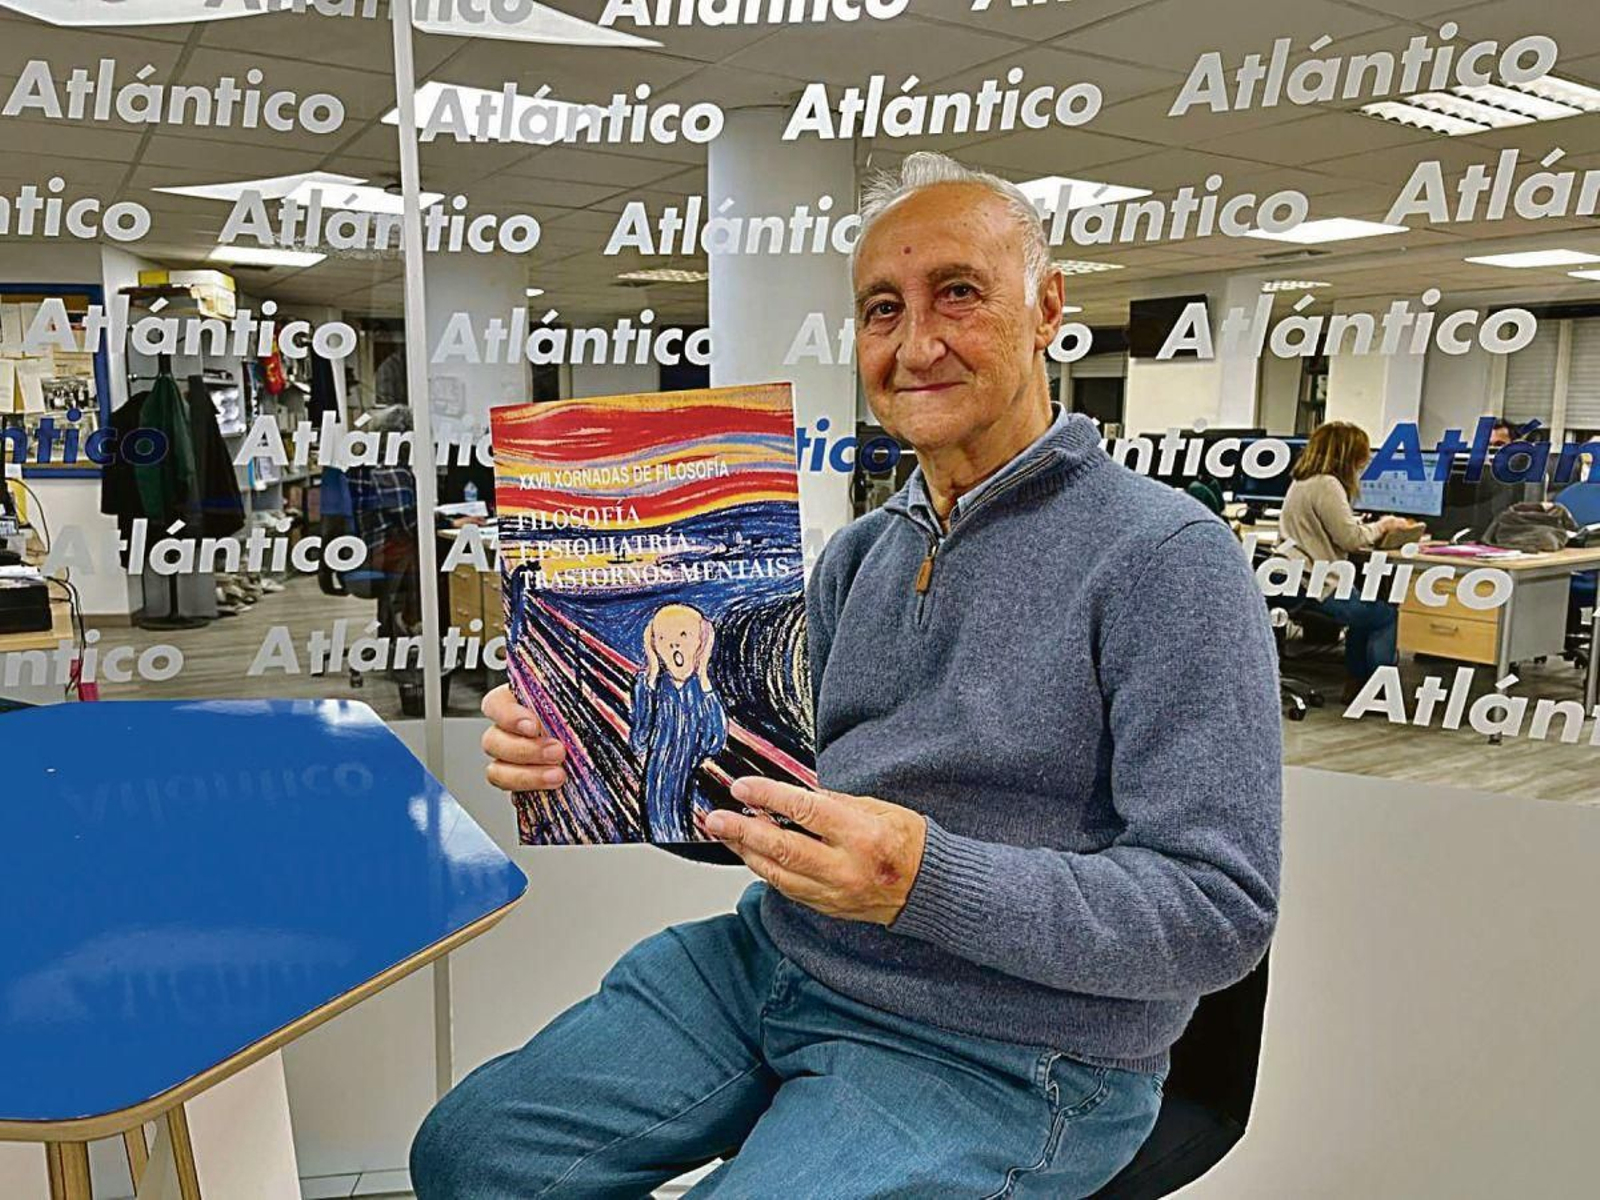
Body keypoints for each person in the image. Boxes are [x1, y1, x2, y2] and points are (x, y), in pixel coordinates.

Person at [410, 152, 1283, 1198]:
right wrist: (610, 757)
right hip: (778, 965)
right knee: (470, 1155)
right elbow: (766, 807)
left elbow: (1216, 911)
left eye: (957, 293)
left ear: (1047, 307)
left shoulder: (1163, 556)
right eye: (881, 309)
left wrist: (921, 879)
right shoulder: (857, 557)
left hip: (1010, 1053)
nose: (916, 343)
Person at [1279, 421, 1418, 701]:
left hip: (1293, 577)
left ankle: (1357, 684)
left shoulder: (1303, 479)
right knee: (1383, 616)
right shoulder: (1327, 484)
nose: (1363, 465)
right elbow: (1351, 540)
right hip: (1317, 583)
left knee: (1364, 609)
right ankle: (1379, 692)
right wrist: (1384, 525)